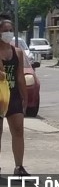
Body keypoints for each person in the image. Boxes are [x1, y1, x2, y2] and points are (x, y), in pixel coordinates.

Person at [0, 17, 30, 176]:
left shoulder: (17, 52)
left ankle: (19, 167)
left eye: (10, 30)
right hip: (0, 98)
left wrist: (25, 98)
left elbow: (20, 77)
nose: (8, 33)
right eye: (5, 31)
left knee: (18, 130)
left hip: (14, 96)